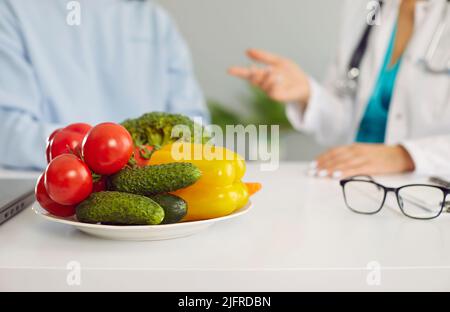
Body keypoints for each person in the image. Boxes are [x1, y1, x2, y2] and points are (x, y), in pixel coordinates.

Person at [229, 0, 450, 178]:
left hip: (430, 194)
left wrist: (405, 155)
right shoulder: (366, 7)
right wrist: (307, 93)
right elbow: (343, 124)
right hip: (356, 186)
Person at [0, 0, 208, 170]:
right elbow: (9, 134)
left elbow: (196, 125)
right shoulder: (12, 10)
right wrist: (115, 155)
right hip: (51, 186)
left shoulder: (153, 18)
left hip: (155, 189)